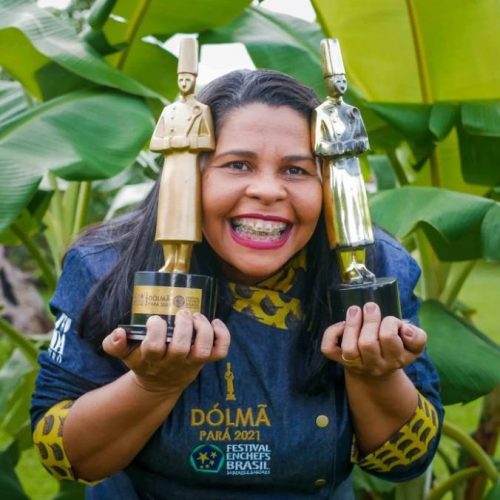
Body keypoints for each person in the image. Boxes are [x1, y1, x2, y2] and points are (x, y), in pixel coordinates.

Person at [31, 69, 443, 499]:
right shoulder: (107, 265)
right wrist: (154, 385)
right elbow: (64, 457)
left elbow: (405, 460)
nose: (267, 190)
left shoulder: (373, 268)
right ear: (191, 176)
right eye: (238, 165)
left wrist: (376, 376)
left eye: (296, 170)